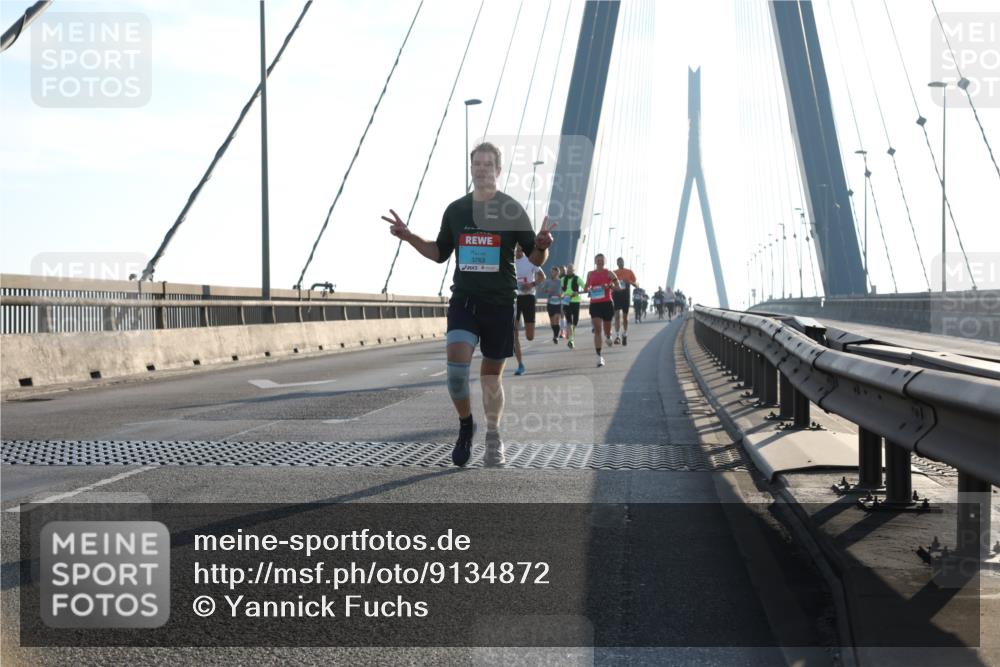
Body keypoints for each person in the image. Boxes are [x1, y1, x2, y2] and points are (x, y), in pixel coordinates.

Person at [381, 141, 554, 468]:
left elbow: (534, 256)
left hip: (501, 303)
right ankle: (465, 427)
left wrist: (543, 246)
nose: (483, 169)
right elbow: (438, 253)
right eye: (477, 164)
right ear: (471, 169)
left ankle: (494, 434)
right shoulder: (457, 210)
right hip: (465, 301)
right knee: (457, 374)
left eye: (489, 165)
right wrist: (408, 236)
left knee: (491, 378)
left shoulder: (512, 210)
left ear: (499, 171)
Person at [513, 245, 545, 375]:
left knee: (530, 336)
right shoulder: (510, 262)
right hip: (514, 299)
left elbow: (542, 276)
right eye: (517, 250)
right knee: (513, 333)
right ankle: (520, 364)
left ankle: (528, 329)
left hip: (528, 298)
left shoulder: (530, 261)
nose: (518, 252)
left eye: (521, 250)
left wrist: (531, 284)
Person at [584, 253, 621, 368]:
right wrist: (589, 289)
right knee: (597, 330)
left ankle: (609, 336)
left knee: (607, 329)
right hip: (595, 304)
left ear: (604, 261)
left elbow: (618, 287)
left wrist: (609, 287)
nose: (599, 262)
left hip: (607, 303)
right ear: (595, 262)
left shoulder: (609, 273)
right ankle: (599, 357)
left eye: (601, 260)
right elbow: (586, 288)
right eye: (597, 260)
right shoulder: (590, 274)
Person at [611, 257, 637, 346]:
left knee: (625, 317)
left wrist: (630, 282)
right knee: (617, 316)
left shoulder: (629, 272)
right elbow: (610, 285)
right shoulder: (613, 273)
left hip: (626, 296)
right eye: (619, 262)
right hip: (616, 296)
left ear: (624, 262)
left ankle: (625, 333)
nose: (620, 263)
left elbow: (637, 284)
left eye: (621, 261)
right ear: (617, 263)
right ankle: (618, 336)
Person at [536, 266, 564, 344]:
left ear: (558, 273)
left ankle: (556, 336)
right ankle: (555, 334)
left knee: (556, 320)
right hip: (550, 303)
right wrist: (547, 290)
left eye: (554, 272)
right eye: (552, 272)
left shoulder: (561, 281)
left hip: (558, 303)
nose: (552, 273)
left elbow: (565, 291)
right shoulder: (548, 281)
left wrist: (561, 295)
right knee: (552, 322)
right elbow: (542, 289)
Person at [560, 264, 585, 349]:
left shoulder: (577, 279)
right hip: (566, 302)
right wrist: (561, 294)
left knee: (575, 321)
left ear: (574, 270)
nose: (569, 270)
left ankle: (571, 334)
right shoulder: (563, 279)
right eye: (568, 269)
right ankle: (571, 340)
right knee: (568, 321)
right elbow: (559, 288)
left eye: (571, 269)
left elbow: (586, 288)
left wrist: (577, 293)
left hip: (576, 301)